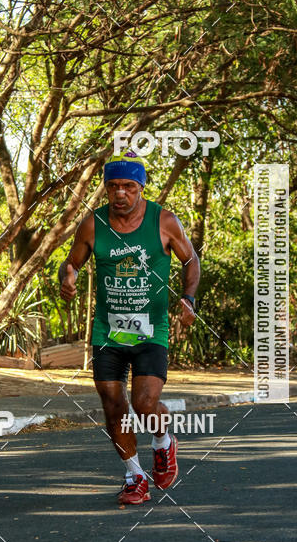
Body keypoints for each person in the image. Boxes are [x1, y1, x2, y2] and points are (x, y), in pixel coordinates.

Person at [59, 149, 199, 505]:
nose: (120, 194)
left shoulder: (164, 221)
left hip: (151, 330)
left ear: (141, 188)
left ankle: (164, 442)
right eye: (113, 187)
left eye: (129, 187)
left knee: (144, 403)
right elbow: (71, 262)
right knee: (112, 404)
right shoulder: (92, 223)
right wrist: (68, 277)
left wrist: (188, 298)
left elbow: (191, 259)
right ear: (106, 189)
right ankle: (135, 476)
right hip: (108, 331)